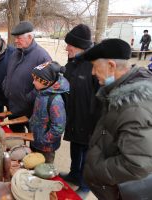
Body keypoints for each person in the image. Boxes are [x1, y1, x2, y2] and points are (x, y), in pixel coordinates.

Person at [81, 38, 152, 200]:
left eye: (94, 67)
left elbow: (137, 163)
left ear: (111, 66)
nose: (92, 73)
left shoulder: (134, 106)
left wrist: (96, 170)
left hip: (122, 192)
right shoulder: (120, 92)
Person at [60, 24, 101, 198]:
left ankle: (85, 185)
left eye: (70, 44)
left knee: (87, 153)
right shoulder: (72, 62)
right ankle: (74, 173)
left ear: (80, 46)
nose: (66, 47)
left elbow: (102, 94)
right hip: (74, 115)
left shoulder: (95, 64)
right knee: (75, 146)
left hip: (90, 118)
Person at [3, 21, 51, 132]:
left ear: (29, 37)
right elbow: (8, 74)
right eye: (15, 38)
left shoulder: (42, 57)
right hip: (13, 108)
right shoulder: (15, 53)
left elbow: (46, 85)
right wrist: (6, 87)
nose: (15, 41)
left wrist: (27, 98)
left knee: (33, 142)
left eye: (18, 38)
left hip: (31, 111)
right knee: (16, 142)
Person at [29, 61, 69, 163]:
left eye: (36, 80)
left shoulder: (55, 101)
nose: (33, 82)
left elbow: (58, 127)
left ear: (46, 82)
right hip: (35, 140)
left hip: (46, 147)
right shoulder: (42, 92)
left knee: (43, 171)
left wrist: (43, 140)